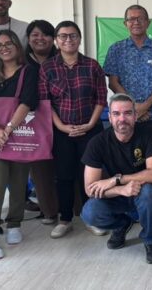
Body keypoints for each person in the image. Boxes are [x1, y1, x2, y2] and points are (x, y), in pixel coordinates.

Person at [39, 21, 107, 239]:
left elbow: (101, 99)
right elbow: (44, 102)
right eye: (63, 36)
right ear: (57, 40)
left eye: (73, 36)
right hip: (61, 131)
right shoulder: (48, 67)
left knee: (89, 175)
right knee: (64, 176)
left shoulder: (92, 65)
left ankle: (90, 218)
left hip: (91, 129)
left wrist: (89, 124)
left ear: (80, 39)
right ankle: (65, 219)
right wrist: (61, 126)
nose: (68, 40)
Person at [80, 93, 152, 264]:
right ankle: (121, 225)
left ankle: (151, 240)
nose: (122, 118)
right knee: (89, 213)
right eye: (116, 114)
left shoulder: (149, 133)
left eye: (127, 113)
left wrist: (116, 179)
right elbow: (90, 189)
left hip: (142, 193)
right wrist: (120, 189)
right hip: (116, 197)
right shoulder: (97, 143)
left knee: (148, 191)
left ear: (135, 116)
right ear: (109, 117)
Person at [0, 30, 36, 259]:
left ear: (17, 46)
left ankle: (14, 223)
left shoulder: (28, 71)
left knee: (19, 181)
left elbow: (27, 102)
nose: (4, 47)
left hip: (20, 131)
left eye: (9, 43)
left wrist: (9, 129)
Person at [104, 5, 152, 142]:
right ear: (125, 23)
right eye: (131, 19)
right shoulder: (116, 49)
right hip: (124, 116)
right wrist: (133, 108)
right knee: (125, 157)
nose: (136, 22)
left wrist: (145, 106)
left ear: (148, 22)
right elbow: (113, 82)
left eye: (140, 18)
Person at [25, 20, 59, 226]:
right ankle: (49, 211)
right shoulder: (21, 62)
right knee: (40, 168)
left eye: (45, 35)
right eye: (35, 35)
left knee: (64, 166)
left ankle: (72, 209)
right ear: (28, 38)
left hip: (61, 119)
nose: (40, 39)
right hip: (31, 122)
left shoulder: (60, 58)